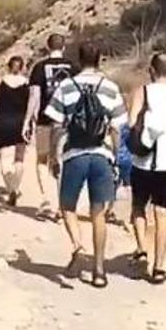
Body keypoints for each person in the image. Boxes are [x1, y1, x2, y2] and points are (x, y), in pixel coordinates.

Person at [44, 42, 128, 289]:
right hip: (101, 155)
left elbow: (57, 125)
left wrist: (52, 154)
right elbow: (117, 127)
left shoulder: (66, 86)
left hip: (74, 155)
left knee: (67, 206)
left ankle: (78, 246)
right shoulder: (111, 88)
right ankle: (99, 270)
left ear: (79, 60)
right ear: (100, 59)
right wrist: (114, 154)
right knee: (98, 213)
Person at [127, 53, 166, 284]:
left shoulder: (143, 92)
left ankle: (142, 248)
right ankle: (159, 266)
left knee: (138, 207)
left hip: (144, 161)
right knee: (163, 212)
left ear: (151, 71)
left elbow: (131, 123)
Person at [25, 33, 80, 218]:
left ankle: (48, 200)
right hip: (67, 121)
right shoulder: (74, 67)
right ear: (63, 47)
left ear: (48, 47)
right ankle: (62, 203)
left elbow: (34, 96)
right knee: (61, 160)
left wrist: (27, 119)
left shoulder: (39, 67)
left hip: (44, 120)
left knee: (42, 159)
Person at [0, 56, 30, 206]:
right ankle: (16, 187)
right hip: (21, 121)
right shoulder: (27, 83)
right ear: (22, 67)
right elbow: (32, 103)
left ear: (8, 66)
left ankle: (10, 188)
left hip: (3, 120)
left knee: (4, 156)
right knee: (19, 158)